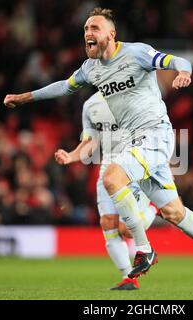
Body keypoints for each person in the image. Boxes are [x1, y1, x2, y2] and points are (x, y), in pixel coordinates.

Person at [4, 7, 193, 290]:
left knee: (112, 177)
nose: (87, 34)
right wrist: (25, 98)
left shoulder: (136, 53)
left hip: (156, 134)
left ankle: (144, 250)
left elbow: (176, 60)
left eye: (94, 28)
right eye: (85, 30)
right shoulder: (90, 69)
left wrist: (184, 72)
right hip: (135, 143)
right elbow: (62, 87)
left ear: (111, 34)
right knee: (174, 213)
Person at [54, 91, 157, 290]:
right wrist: (71, 156)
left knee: (126, 230)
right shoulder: (91, 104)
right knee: (107, 223)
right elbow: (90, 142)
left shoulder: (134, 95)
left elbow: (153, 130)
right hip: (107, 169)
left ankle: (154, 208)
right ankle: (129, 278)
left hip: (132, 167)